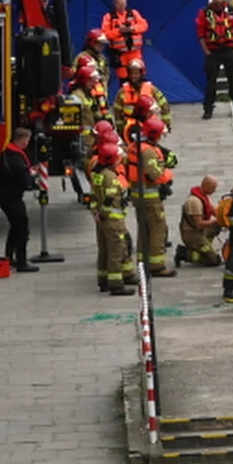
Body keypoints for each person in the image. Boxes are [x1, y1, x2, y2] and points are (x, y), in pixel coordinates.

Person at [127, 117, 176, 277]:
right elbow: (153, 173)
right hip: (150, 197)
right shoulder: (147, 151)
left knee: (144, 229)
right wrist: (166, 168)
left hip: (138, 195)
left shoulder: (135, 146)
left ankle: (143, 261)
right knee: (158, 229)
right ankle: (156, 265)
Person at [90, 142, 135, 295]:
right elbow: (109, 200)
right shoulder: (110, 177)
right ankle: (116, 285)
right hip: (112, 220)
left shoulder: (98, 173)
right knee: (116, 251)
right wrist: (106, 212)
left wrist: (96, 212)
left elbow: (95, 197)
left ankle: (103, 281)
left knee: (104, 250)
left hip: (103, 220)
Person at [0, 128, 39, 273]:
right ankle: (21, 262)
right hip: (11, 197)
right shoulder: (16, 158)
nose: (27, 143)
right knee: (22, 227)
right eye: (26, 140)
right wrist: (32, 176)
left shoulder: (8, 153)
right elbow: (24, 180)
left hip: (5, 195)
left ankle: (9, 257)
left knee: (15, 225)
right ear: (21, 140)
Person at [196, 0, 233, 118]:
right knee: (211, 83)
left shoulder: (231, 11)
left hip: (229, 50)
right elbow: (200, 34)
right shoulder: (205, 13)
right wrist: (207, 52)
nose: (218, 0)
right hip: (213, 52)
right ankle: (208, 109)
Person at [114, 59, 172, 139]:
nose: (133, 76)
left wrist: (165, 124)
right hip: (129, 126)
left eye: (136, 73)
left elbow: (164, 105)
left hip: (149, 125)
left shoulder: (151, 89)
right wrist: (120, 128)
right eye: (131, 73)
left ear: (142, 74)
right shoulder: (122, 91)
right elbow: (117, 110)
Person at [176, 175, 222, 267]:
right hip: (192, 234)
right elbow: (199, 224)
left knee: (217, 226)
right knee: (213, 260)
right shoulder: (194, 202)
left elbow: (213, 210)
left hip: (201, 231)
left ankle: (205, 245)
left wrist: (223, 217)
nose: (215, 191)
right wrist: (216, 221)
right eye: (213, 188)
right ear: (205, 185)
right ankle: (184, 254)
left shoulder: (203, 195)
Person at [101, 0, 148, 80]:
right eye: (120, 5)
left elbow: (144, 26)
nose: (122, 7)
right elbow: (105, 34)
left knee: (139, 78)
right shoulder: (108, 17)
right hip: (120, 55)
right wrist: (119, 31)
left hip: (135, 53)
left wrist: (132, 29)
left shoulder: (134, 13)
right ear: (114, 3)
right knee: (124, 79)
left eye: (124, 4)